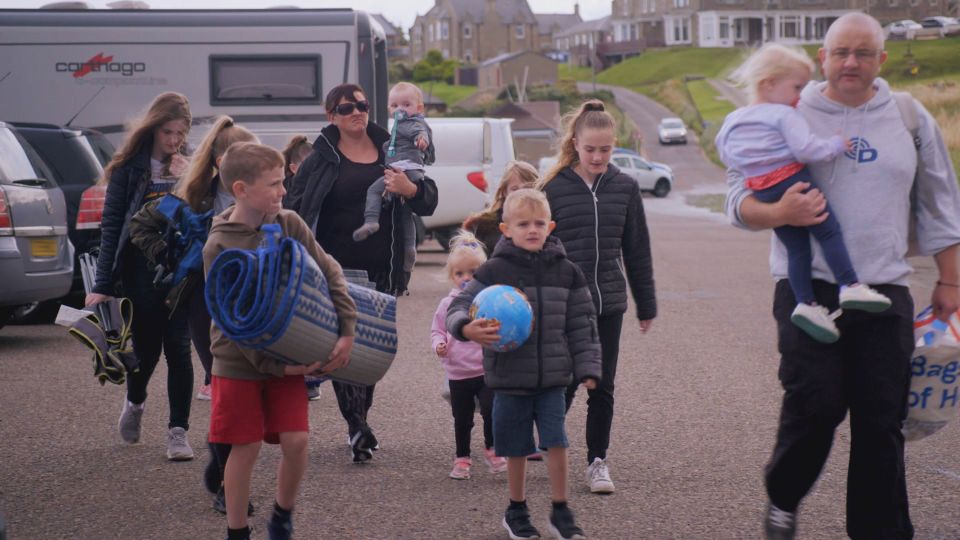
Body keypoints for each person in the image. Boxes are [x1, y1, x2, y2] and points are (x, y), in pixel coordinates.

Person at [724, 13, 960, 540]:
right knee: (817, 402)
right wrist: (778, 212)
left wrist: (950, 281)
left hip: (884, 289)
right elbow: (736, 197)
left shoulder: (908, 115)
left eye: (863, 52)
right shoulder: (788, 106)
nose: (850, 62)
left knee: (881, 422)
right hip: (809, 287)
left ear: (882, 59)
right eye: (840, 52)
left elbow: (940, 201)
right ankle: (784, 495)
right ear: (823, 58)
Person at [203, 142, 357, 540]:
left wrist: (347, 329)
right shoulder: (218, 245)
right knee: (246, 446)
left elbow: (330, 270)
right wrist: (280, 368)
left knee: (297, 441)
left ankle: (282, 516)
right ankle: (237, 530)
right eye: (274, 184)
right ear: (241, 189)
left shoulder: (288, 222)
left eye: (283, 182)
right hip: (239, 361)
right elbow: (231, 323)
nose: (283, 191)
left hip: (289, 353)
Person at [285, 83, 438, 463]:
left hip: (383, 265)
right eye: (346, 107)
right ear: (331, 115)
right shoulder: (320, 157)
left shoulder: (391, 145)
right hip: (335, 267)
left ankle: (361, 419)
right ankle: (357, 425)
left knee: (373, 349)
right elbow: (293, 206)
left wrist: (410, 190)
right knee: (346, 348)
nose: (356, 111)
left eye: (362, 105)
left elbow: (430, 199)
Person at [447, 189, 601, 540]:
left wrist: (589, 366)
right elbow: (461, 305)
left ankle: (560, 510)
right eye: (523, 224)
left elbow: (583, 324)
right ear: (505, 229)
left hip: (552, 379)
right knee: (516, 448)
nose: (532, 229)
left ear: (551, 225)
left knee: (556, 443)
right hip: (509, 378)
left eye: (538, 223)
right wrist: (466, 328)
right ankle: (516, 509)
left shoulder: (568, 272)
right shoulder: (493, 270)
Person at [715, 43, 890, 344]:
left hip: (765, 190)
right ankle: (849, 285)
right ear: (769, 84)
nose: (799, 96)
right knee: (829, 232)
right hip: (793, 180)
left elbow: (725, 152)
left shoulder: (735, 118)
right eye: (796, 87)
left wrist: (755, 168)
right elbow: (806, 149)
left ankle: (806, 304)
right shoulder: (783, 114)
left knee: (797, 250)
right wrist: (836, 144)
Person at [128, 115, 259, 513]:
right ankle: (224, 482)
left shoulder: (264, 194)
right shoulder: (191, 197)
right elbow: (140, 227)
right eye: (241, 160)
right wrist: (171, 257)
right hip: (206, 304)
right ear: (219, 161)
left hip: (254, 303)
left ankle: (218, 468)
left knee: (250, 394)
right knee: (227, 389)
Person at [538, 99, 656, 494]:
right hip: (566, 306)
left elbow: (637, 249)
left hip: (608, 304)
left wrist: (647, 303)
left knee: (601, 385)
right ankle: (550, 445)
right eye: (590, 149)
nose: (598, 156)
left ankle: (597, 462)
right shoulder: (553, 188)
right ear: (576, 142)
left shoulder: (624, 187)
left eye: (605, 149)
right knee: (565, 381)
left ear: (615, 145)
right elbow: (534, 246)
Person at [85, 91, 197, 461]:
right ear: (152, 128)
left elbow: (204, 213)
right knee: (146, 352)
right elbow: (112, 226)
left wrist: (188, 181)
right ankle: (135, 402)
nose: (174, 141)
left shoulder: (190, 164)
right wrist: (101, 286)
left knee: (180, 351)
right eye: (168, 132)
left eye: (180, 133)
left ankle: (178, 432)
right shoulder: (129, 168)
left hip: (180, 269)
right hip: (138, 271)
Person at [430, 230, 507, 480]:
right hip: (458, 372)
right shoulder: (447, 304)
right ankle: (462, 458)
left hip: (485, 369)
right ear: (452, 276)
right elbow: (437, 329)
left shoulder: (489, 302)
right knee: (461, 419)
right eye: (460, 273)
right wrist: (440, 343)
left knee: (490, 409)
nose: (466, 278)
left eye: (473, 272)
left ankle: (493, 449)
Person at [352, 82, 435, 277]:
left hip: (405, 170)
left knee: (374, 190)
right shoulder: (395, 128)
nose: (400, 109)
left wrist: (421, 141)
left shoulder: (413, 123)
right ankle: (409, 249)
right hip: (406, 169)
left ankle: (371, 220)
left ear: (419, 108)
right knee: (404, 212)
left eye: (406, 105)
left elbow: (420, 133)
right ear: (388, 108)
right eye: (395, 105)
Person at [462, 160, 539, 256]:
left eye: (527, 188)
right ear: (504, 192)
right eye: (514, 189)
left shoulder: (543, 224)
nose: (521, 193)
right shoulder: (480, 227)